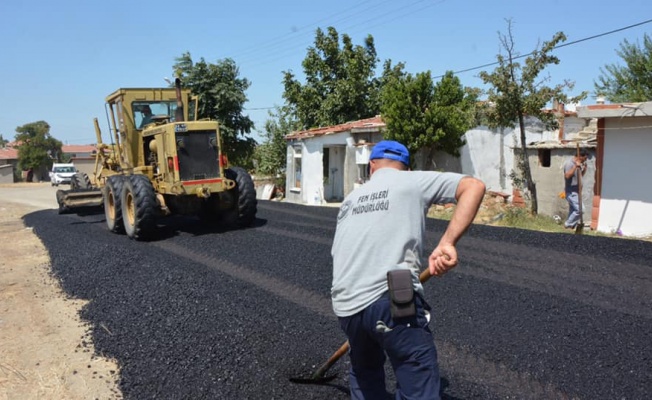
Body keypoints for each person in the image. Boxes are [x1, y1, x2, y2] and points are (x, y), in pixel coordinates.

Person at [331, 140, 486, 399]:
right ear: (406, 166)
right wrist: (447, 242)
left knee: (364, 371)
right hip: (392, 297)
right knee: (416, 372)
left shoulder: (350, 200)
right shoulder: (412, 181)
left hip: (345, 303)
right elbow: (474, 186)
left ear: (372, 166)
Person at [563, 148, 588, 229]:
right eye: (585, 158)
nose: (585, 160)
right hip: (571, 192)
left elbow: (579, 176)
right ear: (580, 156)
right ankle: (567, 224)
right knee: (580, 210)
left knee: (573, 211)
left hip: (577, 192)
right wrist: (575, 166)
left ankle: (569, 228)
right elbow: (567, 176)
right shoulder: (569, 163)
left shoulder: (579, 164)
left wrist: (584, 170)